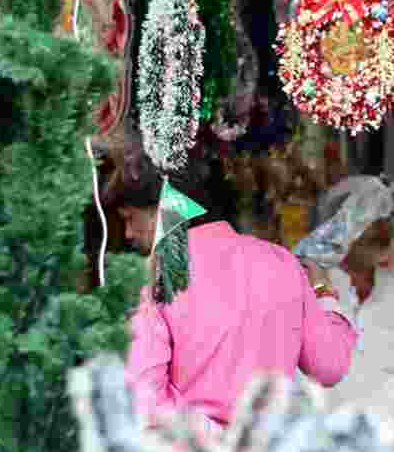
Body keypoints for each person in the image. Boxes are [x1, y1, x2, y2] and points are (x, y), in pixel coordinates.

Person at [107, 137, 359, 433]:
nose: (127, 233)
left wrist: (216, 438)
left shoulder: (156, 280)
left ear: (164, 208)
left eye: (130, 218)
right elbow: (330, 366)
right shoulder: (282, 263)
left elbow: (144, 402)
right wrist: (324, 294)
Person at [297, 176, 394, 415]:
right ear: (338, 226)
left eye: (385, 220)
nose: (383, 231)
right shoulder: (307, 294)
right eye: (370, 220)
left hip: (392, 450)